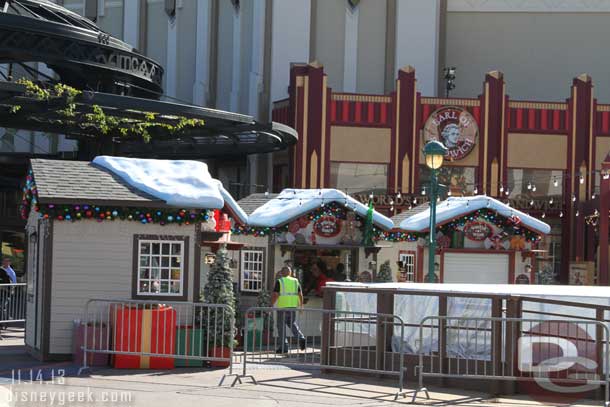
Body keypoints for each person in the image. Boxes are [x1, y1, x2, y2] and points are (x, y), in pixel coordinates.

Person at [271, 266, 306, 353]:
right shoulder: (295, 281)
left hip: (282, 307)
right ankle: (300, 337)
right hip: (293, 307)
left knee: (281, 327)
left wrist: (270, 305)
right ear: (290, 273)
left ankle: (284, 347)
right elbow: (300, 294)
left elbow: (275, 295)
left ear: (282, 273)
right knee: (292, 323)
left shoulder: (280, 281)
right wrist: (301, 305)